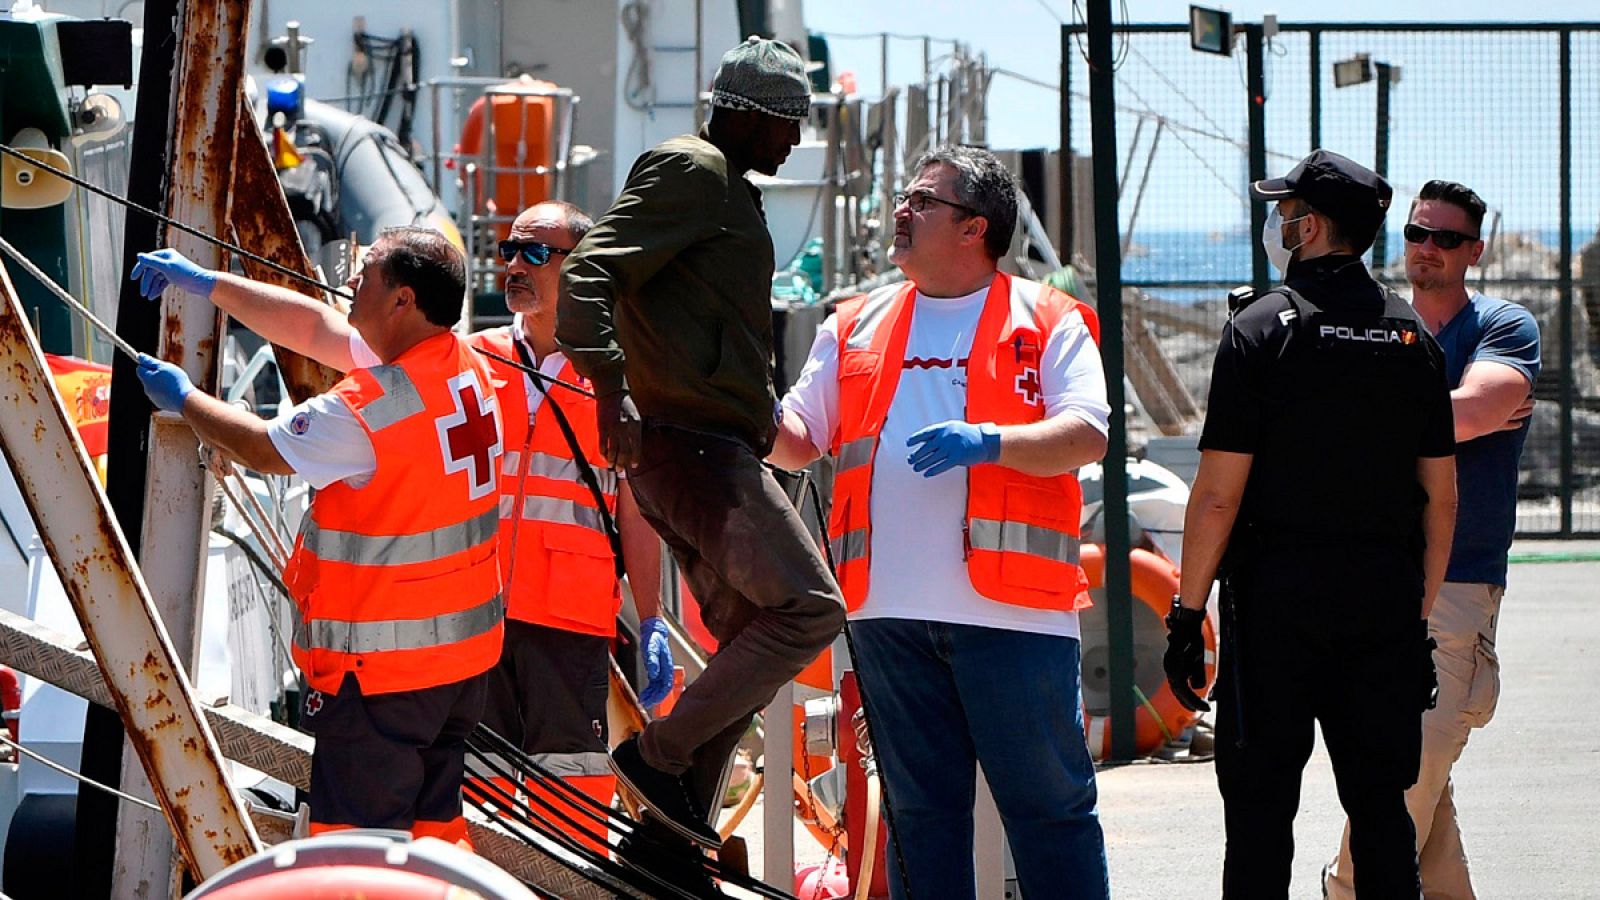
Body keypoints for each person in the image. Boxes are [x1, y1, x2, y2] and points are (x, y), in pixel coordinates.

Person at [769, 145, 1112, 900]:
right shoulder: (853, 322)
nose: (902, 210)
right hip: (887, 617)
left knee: (1050, 814)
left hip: (1015, 617)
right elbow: (797, 440)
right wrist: (737, 408)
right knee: (920, 819)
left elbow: (1088, 432)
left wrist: (988, 442)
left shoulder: (1047, 318)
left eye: (923, 201)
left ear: (974, 227)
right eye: (906, 196)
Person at [557, 35, 846, 851]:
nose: (795, 139)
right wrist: (610, 388)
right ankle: (657, 760)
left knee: (755, 643)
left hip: (701, 455)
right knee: (811, 610)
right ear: (746, 115)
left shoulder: (727, 186)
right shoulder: (694, 169)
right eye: (788, 121)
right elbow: (586, 274)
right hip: (697, 455)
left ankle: (670, 836)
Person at [129, 227, 503, 844]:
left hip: (381, 677)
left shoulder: (366, 410)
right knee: (434, 840)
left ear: (402, 299)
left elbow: (260, 447)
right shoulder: (464, 369)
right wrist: (210, 284)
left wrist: (186, 399)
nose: (352, 280)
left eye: (367, 272)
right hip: (457, 667)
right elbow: (314, 328)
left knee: (357, 852)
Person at [1164, 149, 1458, 898]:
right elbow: (1442, 499)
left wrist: (1187, 615)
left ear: (1311, 226)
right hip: (1384, 606)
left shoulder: (1261, 328)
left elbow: (1218, 496)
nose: (1278, 222)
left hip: (1275, 611)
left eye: (1285, 210)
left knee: (1260, 821)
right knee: (1382, 816)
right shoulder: (1412, 338)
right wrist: (1415, 616)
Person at [1322, 180, 1540, 900]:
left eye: (1446, 239)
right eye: (1418, 233)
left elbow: (1476, 411)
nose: (1428, 249)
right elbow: (1445, 419)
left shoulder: (1503, 325)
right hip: (1371, 577)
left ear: (1474, 251)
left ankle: (1344, 890)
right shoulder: (1379, 320)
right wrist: (1422, 419)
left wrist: (1365, 421)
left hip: (1456, 585)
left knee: (1405, 776)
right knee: (1419, 779)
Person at [466, 201, 670, 839]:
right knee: (476, 802)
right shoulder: (472, 360)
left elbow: (637, 510)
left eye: (535, 253)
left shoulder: (619, 381)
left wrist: (652, 618)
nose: (514, 266)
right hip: (473, 612)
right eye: (509, 251)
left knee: (571, 805)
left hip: (569, 619)